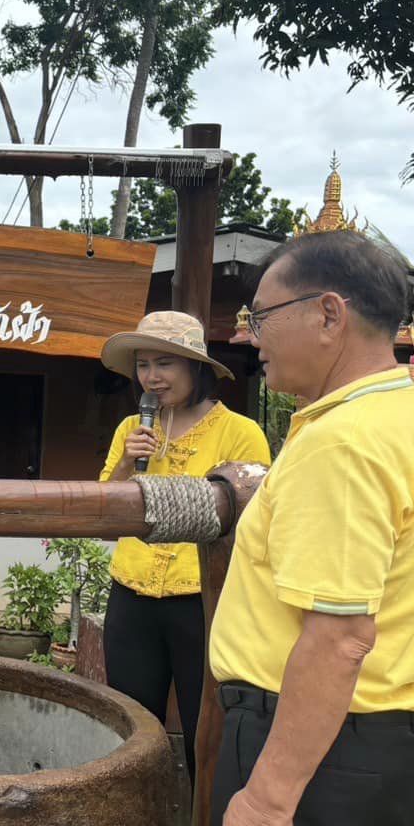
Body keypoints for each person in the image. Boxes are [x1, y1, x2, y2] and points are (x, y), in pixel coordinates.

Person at [208, 229, 414, 826]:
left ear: (327, 314)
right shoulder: (407, 418)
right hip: (382, 747)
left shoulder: (339, 443)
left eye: (260, 316)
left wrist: (265, 801)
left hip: (308, 752)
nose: (249, 336)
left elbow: (339, 636)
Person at [97, 311, 271, 783]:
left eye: (165, 364)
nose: (152, 377)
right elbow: (102, 514)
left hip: (205, 599)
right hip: (132, 594)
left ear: (196, 368)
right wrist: (129, 464)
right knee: (133, 728)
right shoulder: (131, 429)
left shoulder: (239, 432)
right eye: (144, 365)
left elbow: (252, 523)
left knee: (207, 729)